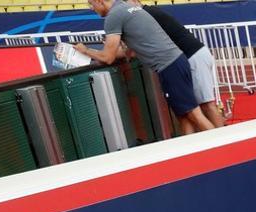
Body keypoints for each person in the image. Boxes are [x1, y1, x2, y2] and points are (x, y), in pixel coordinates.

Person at [77, 0, 214, 135]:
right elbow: (128, 52)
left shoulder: (114, 16)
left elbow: (108, 57)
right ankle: (189, 152)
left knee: (194, 114)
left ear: (99, 1)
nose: (91, 8)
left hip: (168, 67)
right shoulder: (128, 8)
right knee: (184, 116)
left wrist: (86, 51)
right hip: (177, 61)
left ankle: (220, 146)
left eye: (91, 4)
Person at [131, 0, 225, 128]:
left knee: (206, 104)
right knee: (196, 107)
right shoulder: (149, 12)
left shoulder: (147, 14)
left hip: (193, 56)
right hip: (193, 56)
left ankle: (222, 138)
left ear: (135, 1)